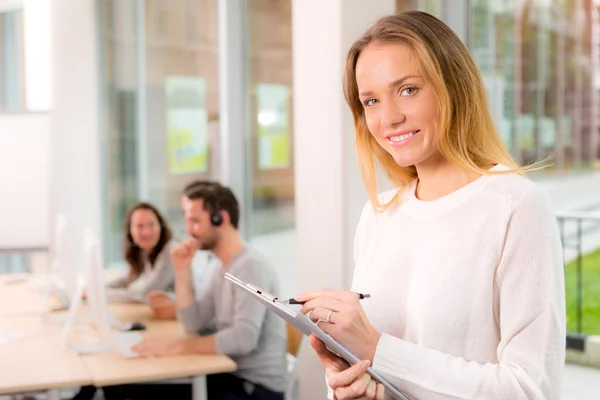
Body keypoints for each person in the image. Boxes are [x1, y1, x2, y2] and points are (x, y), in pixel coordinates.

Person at [296, 11, 565, 400]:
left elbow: (530, 388)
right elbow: (388, 378)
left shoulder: (516, 207)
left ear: (453, 86)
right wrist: (352, 379)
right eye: (370, 100)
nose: (388, 117)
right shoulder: (378, 214)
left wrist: (376, 350)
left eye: (407, 90)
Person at [103, 182, 287, 400]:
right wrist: (181, 270)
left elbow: (243, 338)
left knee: (131, 390)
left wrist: (178, 346)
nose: (188, 230)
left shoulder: (250, 266)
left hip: (253, 387)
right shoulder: (218, 266)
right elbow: (193, 322)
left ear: (221, 219)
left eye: (195, 221)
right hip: (226, 374)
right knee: (121, 387)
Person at [146, 181, 219, 320]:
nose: (188, 229)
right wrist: (173, 299)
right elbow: (201, 298)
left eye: (194, 218)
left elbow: (218, 317)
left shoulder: (232, 264)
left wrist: (176, 308)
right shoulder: (202, 255)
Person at [104, 201, 177, 303]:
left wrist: (101, 294)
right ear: (130, 232)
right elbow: (126, 280)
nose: (146, 232)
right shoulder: (144, 253)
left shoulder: (171, 252)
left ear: (161, 226)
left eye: (151, 224)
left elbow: (144, 293)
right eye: (139, 226)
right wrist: (98, 288)